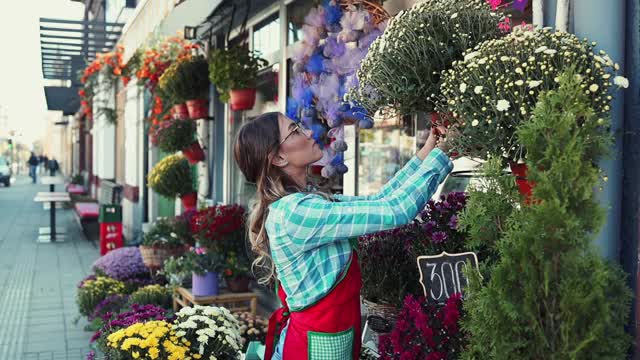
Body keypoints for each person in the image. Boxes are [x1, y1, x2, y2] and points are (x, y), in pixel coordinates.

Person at [233, 112, 454, 360]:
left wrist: (429, 149)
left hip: (324, 340)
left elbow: (379, 201)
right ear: (278, 157)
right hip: (311, 348)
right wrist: (445, 153)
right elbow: (396, 210)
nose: (308, 132)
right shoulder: (296, 213)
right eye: (295, 130)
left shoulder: (304, 202)